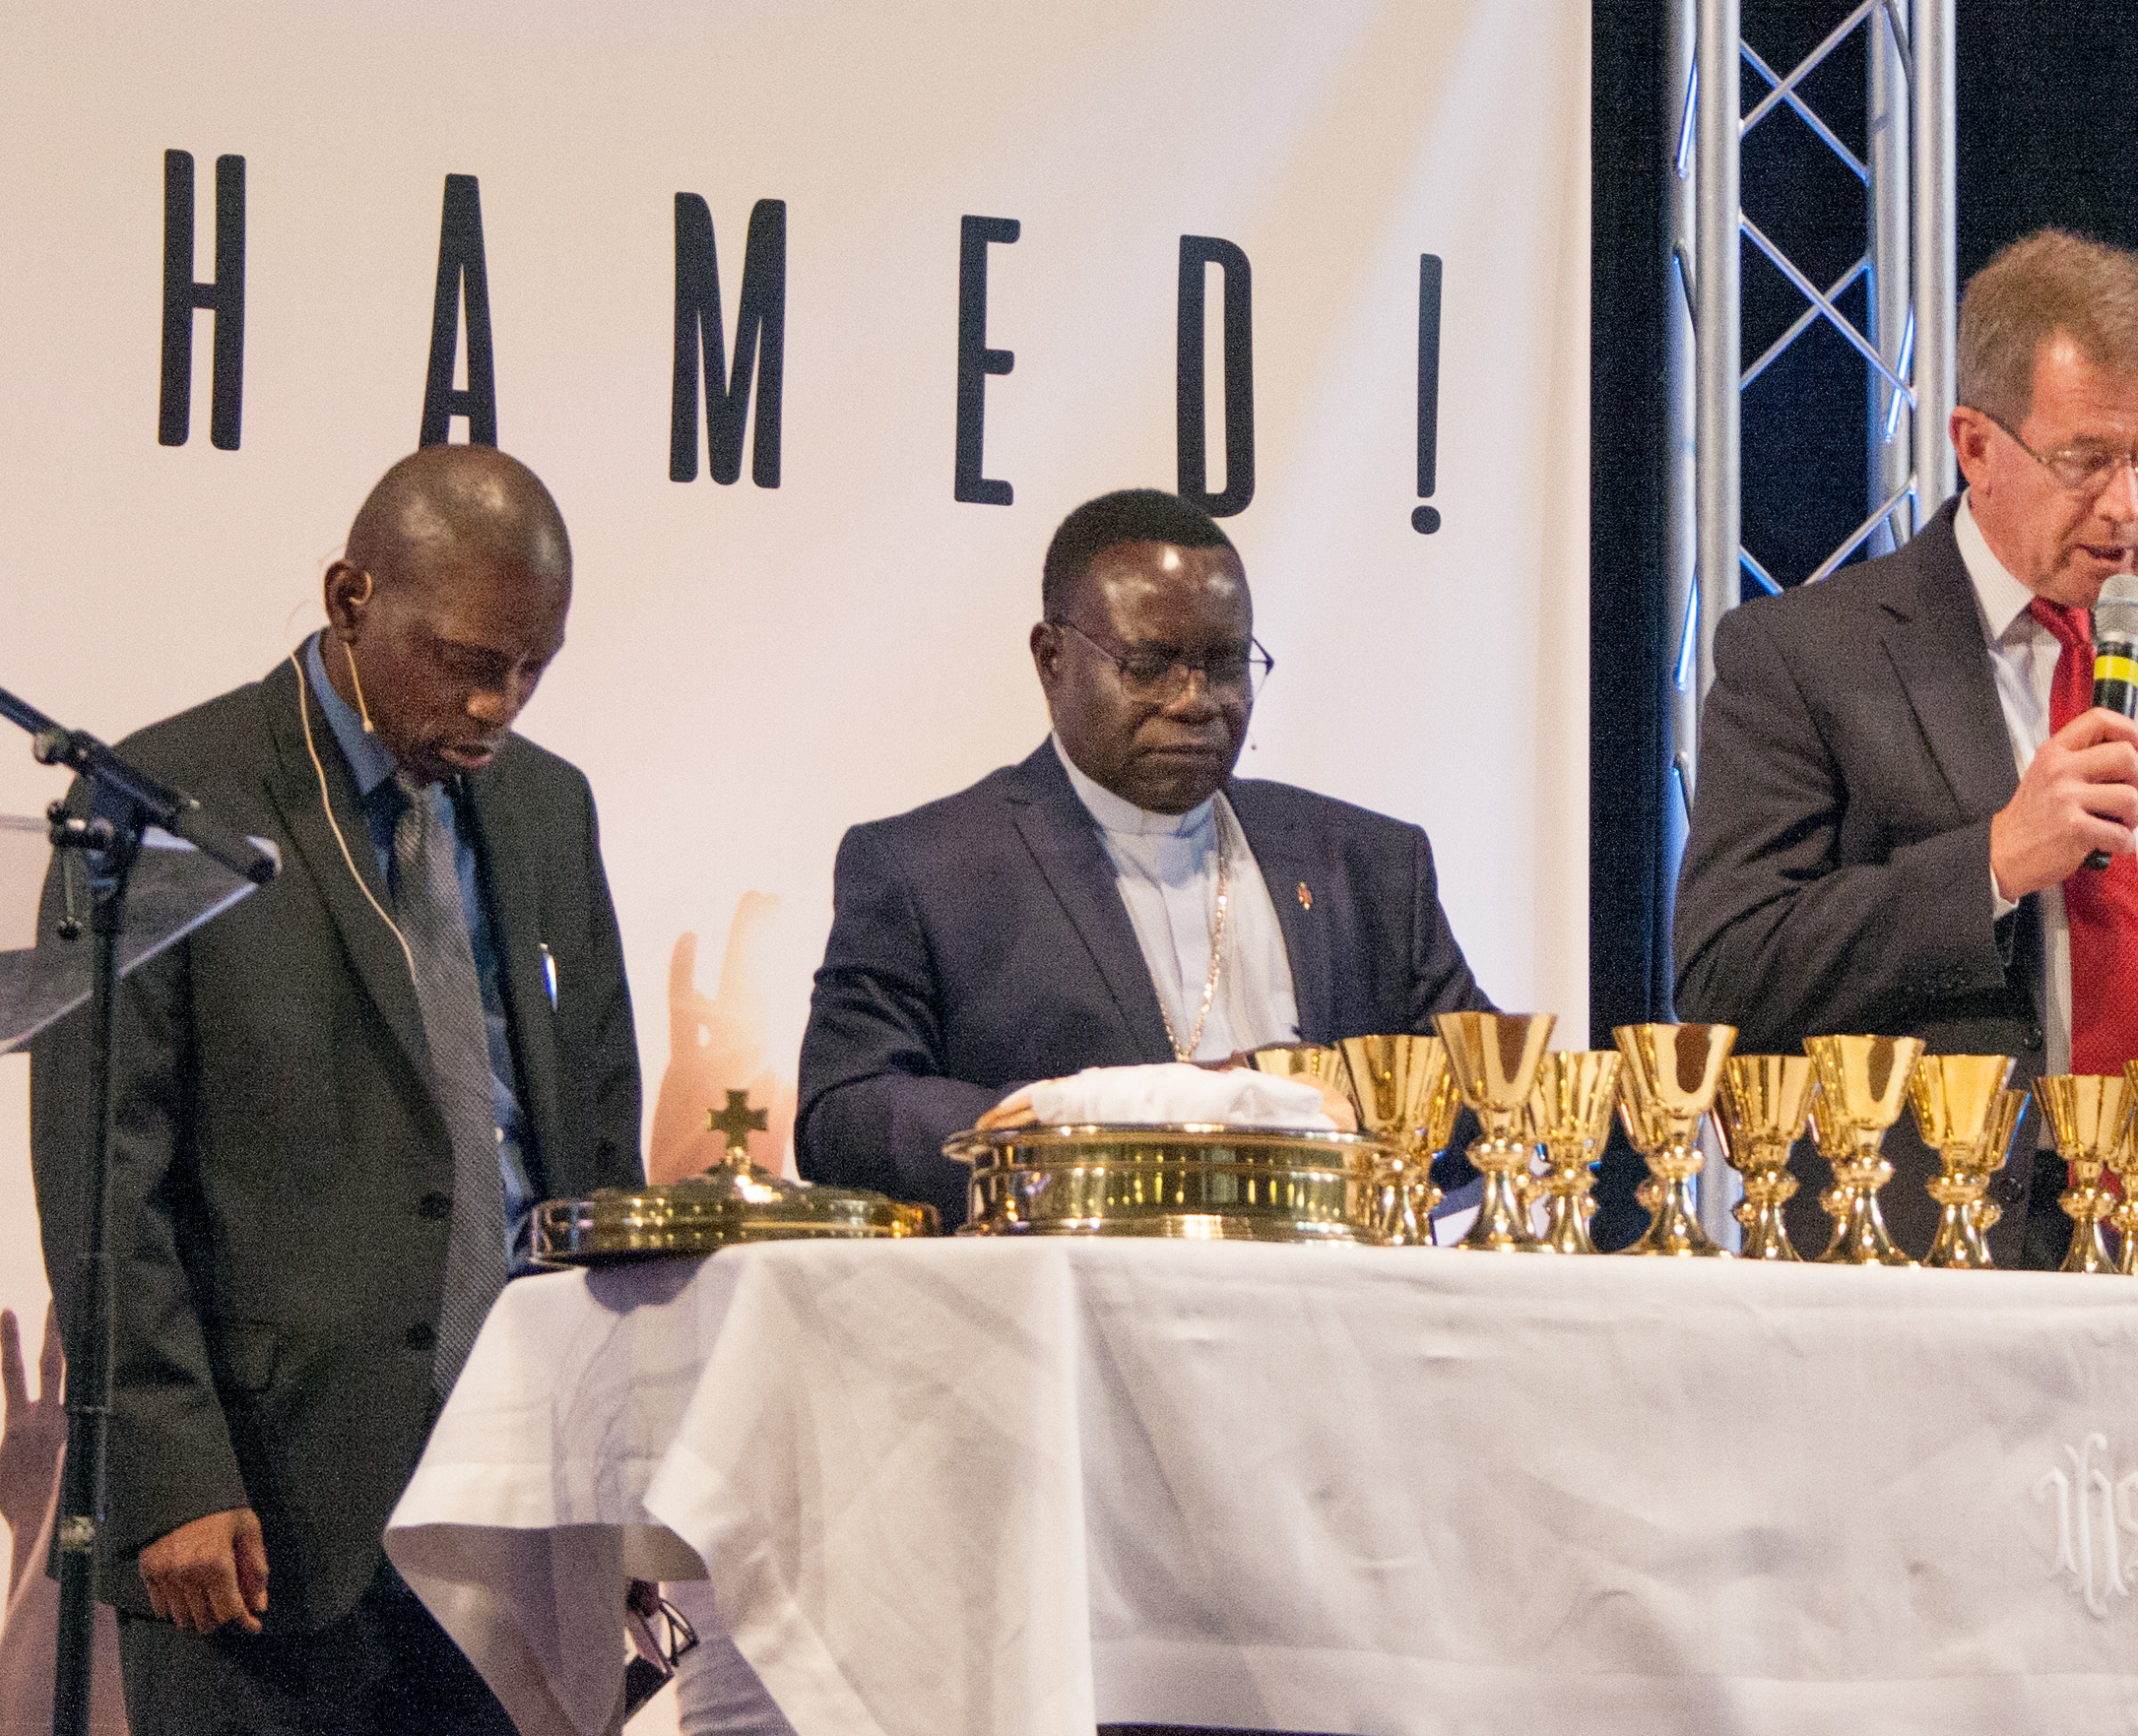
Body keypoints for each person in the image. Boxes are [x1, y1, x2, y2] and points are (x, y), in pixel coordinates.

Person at [27, 446, 642, 1733]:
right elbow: (105, 1176)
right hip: (260, 1519)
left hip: (509, 1506)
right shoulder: (162, 804)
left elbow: (593, 1119)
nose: (499, 703)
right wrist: (172, 1471)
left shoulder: (550, 808)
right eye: (470, 658)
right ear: (350, 593)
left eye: (533, 667)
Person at [1673, 229, 2138, 1269]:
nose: (2127, 507)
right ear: (1974, 446)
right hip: (1936, 1248)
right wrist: (1995, 861)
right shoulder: (1807, 656)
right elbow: (1727, 971)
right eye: (2086, 459)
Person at [798, 487, 1491, 1224]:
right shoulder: (926, 869)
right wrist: (1075, 1127)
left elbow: (1487, 1102)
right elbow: (845, 1110)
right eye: (1151, 664)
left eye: (1224, 664)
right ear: (1052, 659)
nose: (1196, 701)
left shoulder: (1369, 865)